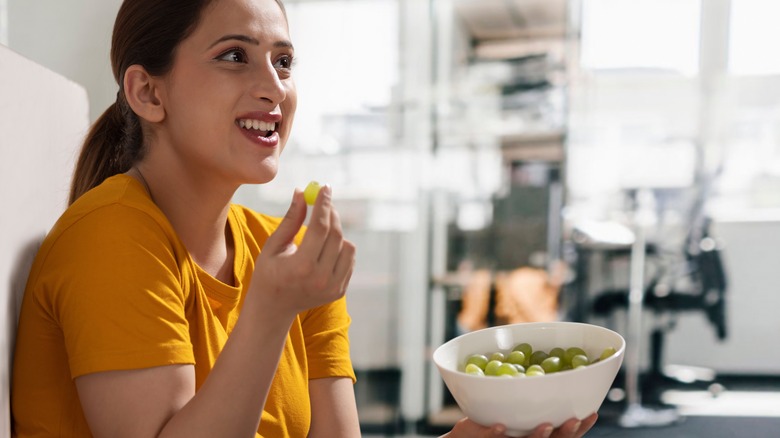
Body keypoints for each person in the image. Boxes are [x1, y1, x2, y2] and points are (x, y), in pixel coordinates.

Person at [10, 0, 596, 437]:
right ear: (147, 93)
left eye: (284, 62)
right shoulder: (112, 235)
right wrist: (269, 311)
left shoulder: (279, 252)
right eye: (234, 56)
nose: (274, 88)